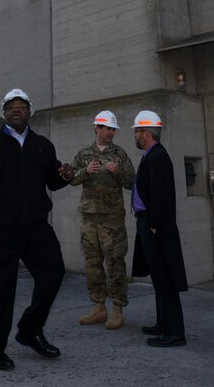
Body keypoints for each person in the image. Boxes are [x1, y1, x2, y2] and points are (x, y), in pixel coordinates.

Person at [0, 88, 75, 371]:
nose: (16, 109)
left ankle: (29, 330)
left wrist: (67, 176)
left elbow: (52, 180)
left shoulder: (43, 146)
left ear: (29, 112)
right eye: (11, 106)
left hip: (36, 227)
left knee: (53, 273)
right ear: (4, 112)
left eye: (21, 106)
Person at [68, 110, 135, 330]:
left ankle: (117, 309)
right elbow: (71, 179)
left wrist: (118, 172)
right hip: (89, 218)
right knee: (92, 263)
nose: (110, 133)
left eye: (113, 129)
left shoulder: (119, 154)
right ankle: (98, 307)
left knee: (115, 262)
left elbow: (131, 182)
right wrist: (85, 171)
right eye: (107, 128)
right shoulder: (84, 153)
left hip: (112, 218)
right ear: (96, 128)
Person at [129, 110, 189, 347]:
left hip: (156, 227)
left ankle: (174, 333)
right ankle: (163, 323)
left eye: (136, 131)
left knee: (166, 280)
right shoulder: (150, 155)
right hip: (147, 223)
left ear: (145, 133)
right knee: (158, 278)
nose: (135, 135)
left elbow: (162, 197)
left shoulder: (158, 157)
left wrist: (153, 224)